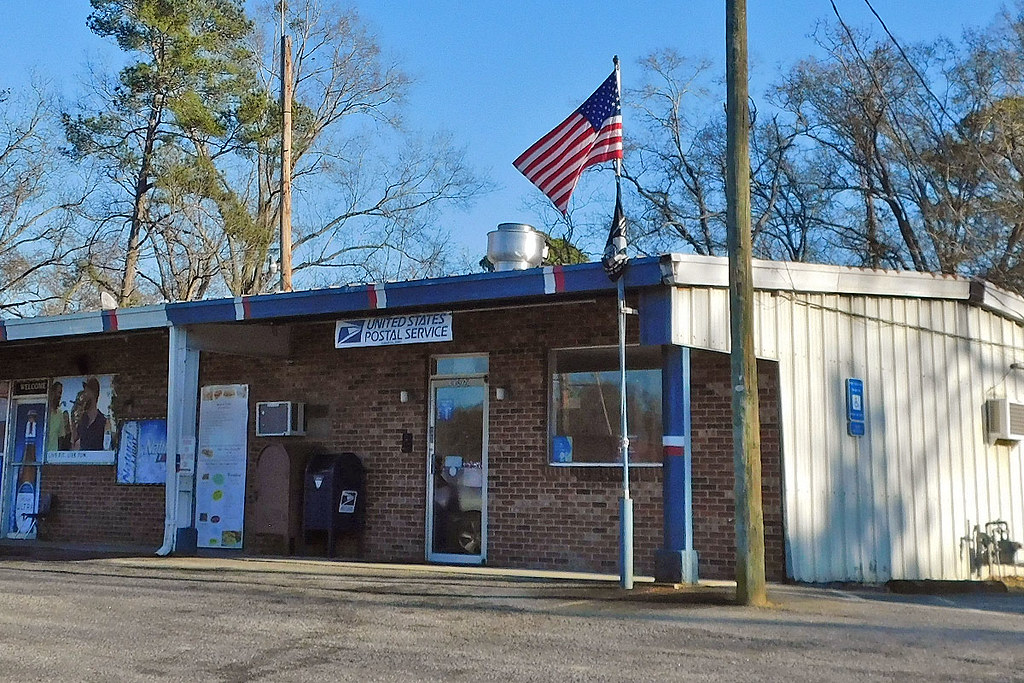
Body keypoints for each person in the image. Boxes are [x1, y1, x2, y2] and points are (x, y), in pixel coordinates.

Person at [73, 377, 107, 450]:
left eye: (86, 392)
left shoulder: (103, 421)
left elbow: (107, 447)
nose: (84, 397)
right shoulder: (82, 420)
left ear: (94, 394)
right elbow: (74, 443)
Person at [46, 381, 72, 452]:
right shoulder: (45, 411)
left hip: (52, 455)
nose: (59, 396)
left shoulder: (60, 413)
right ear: (52, 393)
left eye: (61, 393)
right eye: (58, 392)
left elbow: (61, 436)